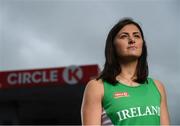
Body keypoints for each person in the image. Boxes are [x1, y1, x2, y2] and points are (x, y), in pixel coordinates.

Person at [81, 18, 170, 125]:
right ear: (112, 45)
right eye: (124, 36)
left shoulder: (157, 86)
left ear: (142, 44)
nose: (132, 40)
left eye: (137, 36)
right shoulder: (97, 87)